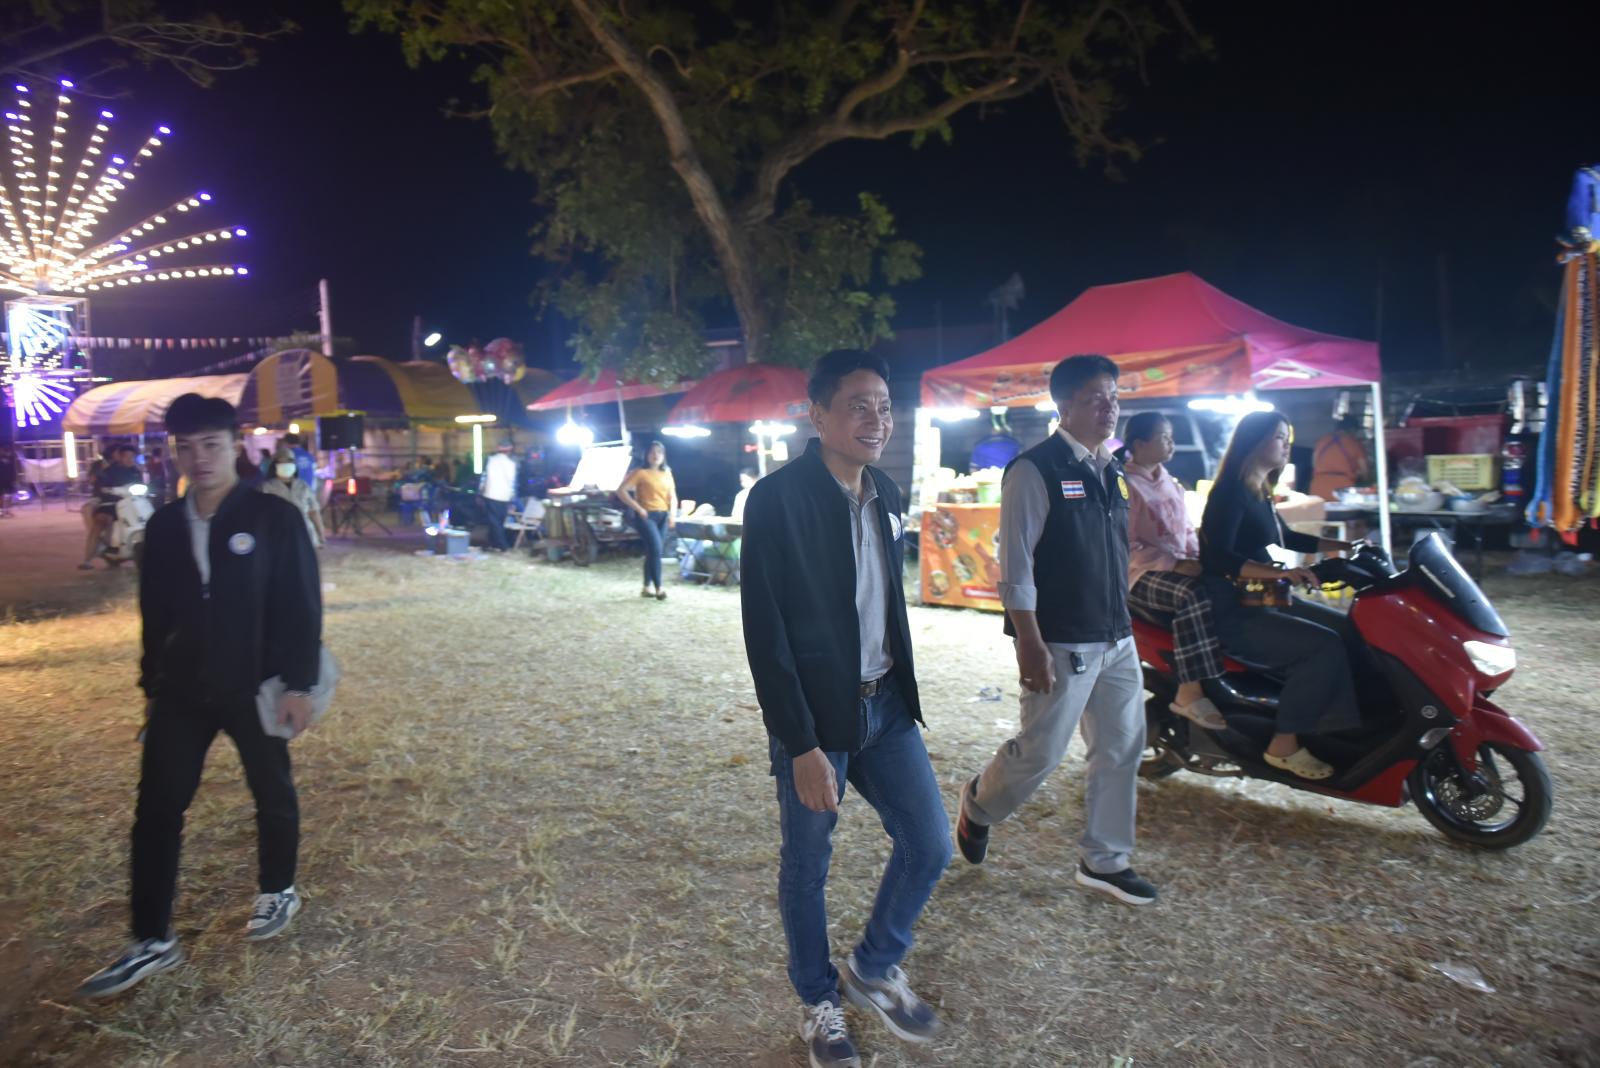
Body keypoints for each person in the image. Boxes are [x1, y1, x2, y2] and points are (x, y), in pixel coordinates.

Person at [742, 350, 949, 1068]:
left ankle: (872, 966)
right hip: (814, 716)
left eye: (885, 407)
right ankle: (818, 999)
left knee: (930, 842)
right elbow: (765, 633)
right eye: (858, 405)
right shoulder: (777, 499)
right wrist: (800, 745)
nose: (876, 420)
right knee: (808, 863)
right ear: (818, 414)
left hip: (884, 705)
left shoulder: (884, 490)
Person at [76, 394, 322, 999]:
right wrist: (150, 688)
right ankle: (151, 937)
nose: (199, 458)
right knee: (157, 808)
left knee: (271, 789)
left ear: (236, 446)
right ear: (174, 453)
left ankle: (277, 890)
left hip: (254, 683)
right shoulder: (163, 526)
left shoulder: (273, 517)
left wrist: (298, 684)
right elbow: (154, 616)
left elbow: (301, 603)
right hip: (182, 688)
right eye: (185, 447)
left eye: (211, 444)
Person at [956, 355, 1158, 907]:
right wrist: (1029, 641)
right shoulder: (1034, 470)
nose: (1109, 408)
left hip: (1117, 635)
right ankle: (979, 804)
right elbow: (1015, 565)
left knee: (1121, 747)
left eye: (1114, 398)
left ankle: (1105, 860)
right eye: (1095, 398)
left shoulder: (1113, 470)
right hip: (1063, 637)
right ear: (1064, 405)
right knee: (1041, 751)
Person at [1200, 411, 1357, 780]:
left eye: (1288, 438)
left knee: (1350, 629)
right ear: (1254, 441)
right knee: (1322, 646)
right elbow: (1216, 557)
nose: (1287, 446)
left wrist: (1346, 547)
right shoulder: (1230, 492)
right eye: (1278, 438)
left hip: (1264, 596)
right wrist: (1280, 573)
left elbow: (1286, 537)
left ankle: (1343, 730)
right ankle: (1283, 745)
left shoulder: (1259, 487)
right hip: (1235, 609)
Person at [1116, 413, 1228, 731]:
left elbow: (1187, 531)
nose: (1172, 443)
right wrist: (1175, 565)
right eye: (1164, 437)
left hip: (1173, 568)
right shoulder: (1125, 486)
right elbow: (1124, 545)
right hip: (1138, 575)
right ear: (1140, 444)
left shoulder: (1171, 483)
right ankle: (1189, 691)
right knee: (1192, 595)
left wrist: (1197, 559)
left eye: (1171, 436)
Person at [618, 441, 677, 600]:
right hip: (646, 516)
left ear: (663, 456)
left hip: (663, 515)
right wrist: (638, 508)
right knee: (656, 549)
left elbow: (673, 496)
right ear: (647, 455)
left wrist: (672, 514)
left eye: (659, 452)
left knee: (653, 551)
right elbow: (621, 491)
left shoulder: (667, 473)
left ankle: (646, 587)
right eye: (652, 452)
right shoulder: (640, 473)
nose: (656, 455)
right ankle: (659, 588)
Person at [80, 445, 145, 570]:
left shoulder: (136, 472)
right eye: (127, 456)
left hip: (132, 503)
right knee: (100, 521)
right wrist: (106, 490)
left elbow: (142, 486)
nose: (130, 459)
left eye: (132, 457)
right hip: (111, 504)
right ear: (120, 457)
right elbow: (100, 486)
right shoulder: (109, 471)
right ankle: (87, 559)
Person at [261, 445, 327, 548]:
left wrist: (321, 535)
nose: (285, 465)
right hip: (278, 539)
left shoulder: (303, 486)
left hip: (305, 536)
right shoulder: (266, 488)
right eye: (281, 462)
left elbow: (314, 512)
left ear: (294, 464)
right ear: (275, 465)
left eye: (289, 461)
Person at [1310, 415, 1370, 502]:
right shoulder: (1354, 443)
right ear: (1352, 429)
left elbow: (1315, 464)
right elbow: (1365, 472)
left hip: (1318, 488)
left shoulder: (1321, 440)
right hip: (1342, 490)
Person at [479, 440, 517, 552]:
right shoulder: (511, 464)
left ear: (498, 449)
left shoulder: (490, 460)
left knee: (494, 521)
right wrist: (512, 499)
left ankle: (502, 546)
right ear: (509, 451)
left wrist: (480, 492)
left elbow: (484, 478)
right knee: (499, 521)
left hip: (491, 494)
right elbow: (513, 483)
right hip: (505, 496)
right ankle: (491, 543)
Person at [0, 442, 17, 516]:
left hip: (9, 479)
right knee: (1, 495)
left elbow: (13, 469)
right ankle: (1, 511)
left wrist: (14, 478)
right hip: (1, 479)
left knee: (9, 494)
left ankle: (7, 510)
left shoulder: (11, 458)